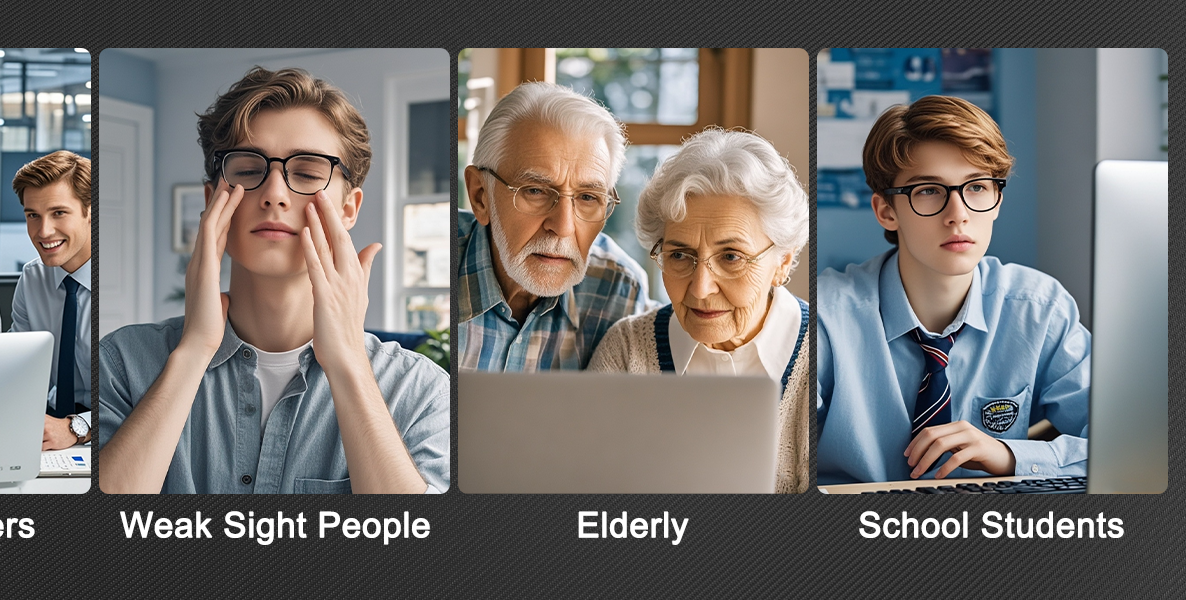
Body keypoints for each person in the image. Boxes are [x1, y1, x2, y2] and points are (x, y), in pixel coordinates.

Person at [98, 67, 449, 494]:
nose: (274, 193)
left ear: (348, 209)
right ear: (213, 202)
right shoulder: (121, 364)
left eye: (306, 172)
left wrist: (349, 365)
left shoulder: (421, 390)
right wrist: (193, 354)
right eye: (248, 170)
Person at [816, 95, 1090, 485]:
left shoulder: (1039, 310)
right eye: (928, 190)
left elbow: (1128, 445)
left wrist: (1011, 454)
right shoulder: (823, 315)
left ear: (997, 201)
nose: (958, 213)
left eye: (977, 187)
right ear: (886, 211)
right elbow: (773, 457)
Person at [589, 129, 810, 493]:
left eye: (731, 257)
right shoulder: (627, 351)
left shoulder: (827, 353)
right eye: (679, 255)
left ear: (782, 262)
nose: (701, 287)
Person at [458, 82, 655, 371]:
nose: (563, 227)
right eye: (535, 191)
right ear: (480, 196)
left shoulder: (619, 290)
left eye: (588, 197)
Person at [7, 151, 93, 451]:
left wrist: (77, 427)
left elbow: (142, 395)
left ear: (89, 211)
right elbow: (19, 367)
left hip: (111, 429)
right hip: (51, 425)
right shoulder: (33, 279)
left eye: (59, 213)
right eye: (33, 215)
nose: (43, 232)